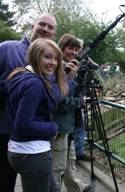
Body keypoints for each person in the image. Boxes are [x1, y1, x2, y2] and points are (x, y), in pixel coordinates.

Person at [0, 13, 58, 192]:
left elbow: (51, 96)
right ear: (33, 26)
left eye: (50, 27)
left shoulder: (51, 62)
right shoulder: (7, 48)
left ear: (54, 34)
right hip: (4, 133)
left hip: (34, 142)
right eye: (42, 24)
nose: (45, 29)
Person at [5, 38, 67, 192]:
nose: (53, 62)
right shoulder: (35, 83)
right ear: (35, 56)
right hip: (32, 153)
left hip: (21, 150)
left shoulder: (20, 74)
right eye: (48, 57)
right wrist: (52, 128)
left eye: (56, 59)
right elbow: (23, 124)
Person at [51, 33, 92, 192]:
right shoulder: (58, 68)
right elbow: (61, 102)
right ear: (61, 48)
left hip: (68, 126)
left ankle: (77, 188)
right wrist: (80, 102)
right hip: (59, 127)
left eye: (77, 49)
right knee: (57, 168)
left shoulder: (70, 66)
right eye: (70, 48)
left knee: (69, 161)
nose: (74, 52)